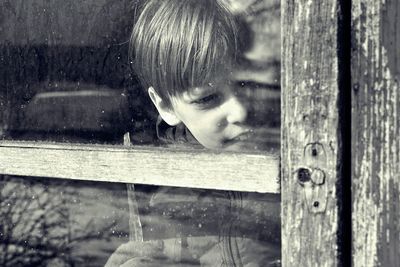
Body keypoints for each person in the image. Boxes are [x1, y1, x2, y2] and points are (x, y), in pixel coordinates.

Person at [105, 0, 280, 266]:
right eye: (207, 99)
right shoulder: (168, 193)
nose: (239, 111)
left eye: (249, 84)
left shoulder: (294, 166)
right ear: (165, 105)